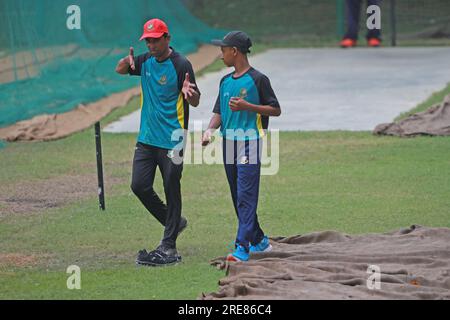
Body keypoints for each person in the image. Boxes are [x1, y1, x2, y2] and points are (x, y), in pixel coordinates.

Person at [115, 18, 200, 266]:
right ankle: (174, 223)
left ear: (167, 38)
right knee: (139, 185)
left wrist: (190, 94)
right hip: (147, 138)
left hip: (173, 138)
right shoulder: (144, 61)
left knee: (171, 185)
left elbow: (195, 101)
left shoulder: (181, 64)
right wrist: (125, 63)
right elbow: (120, 70)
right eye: (147, 40)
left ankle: (169, 244)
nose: (151, 44)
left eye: (155, 39)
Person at [202, 31, 281, 262]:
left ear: (234, 51)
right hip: (228, 144)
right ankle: (259, 240)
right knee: (238, 196)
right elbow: (219, 111)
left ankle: (242, 247)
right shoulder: (225, 81)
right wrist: (209, 130)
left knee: (246, 195)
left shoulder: (258, 80)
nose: (220, 56)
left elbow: (276, 110)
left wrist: (248, 106)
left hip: (250, 143)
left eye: (223, 50)